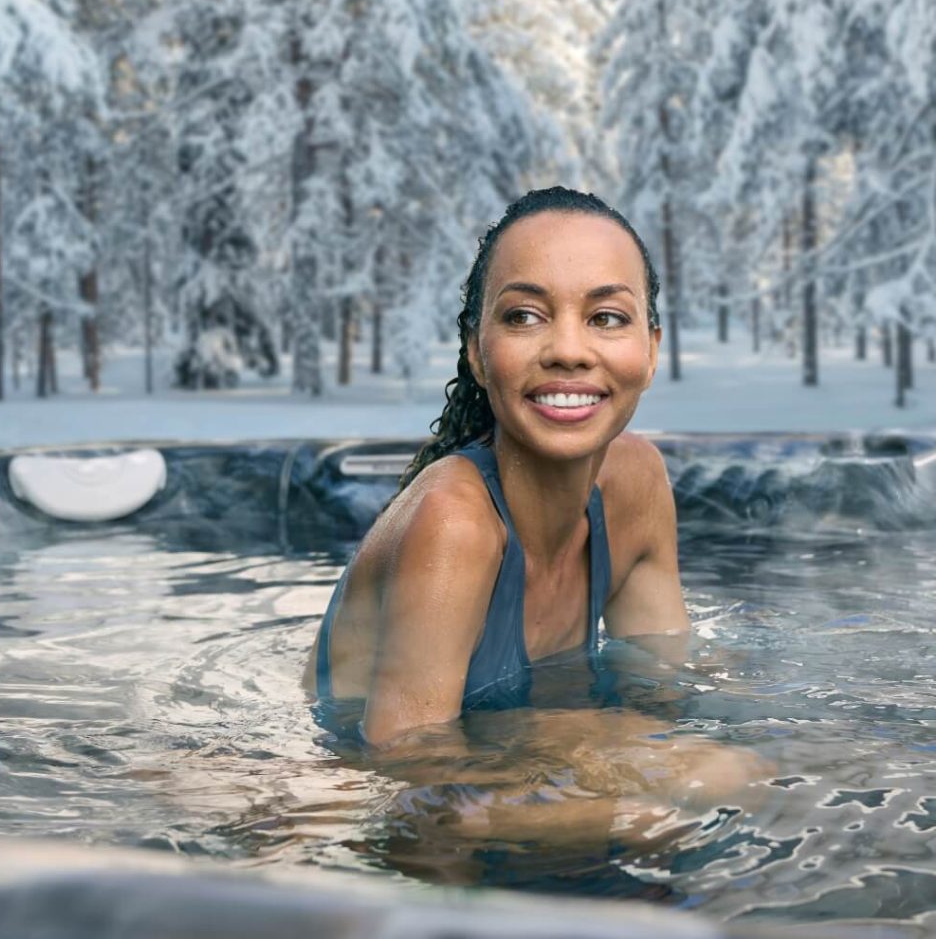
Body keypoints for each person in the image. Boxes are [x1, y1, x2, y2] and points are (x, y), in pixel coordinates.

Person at [303, 187, 765, 844]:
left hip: (503, 775)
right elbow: (412, 790)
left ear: (653, 349)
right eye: (524, 316)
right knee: (720, 787)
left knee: (732, 779)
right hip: (333, 796)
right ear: (475, 350)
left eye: (606, 317)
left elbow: (657, 687)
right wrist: (635, 808)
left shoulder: (635, 482)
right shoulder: (454, 524)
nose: (568, 350)